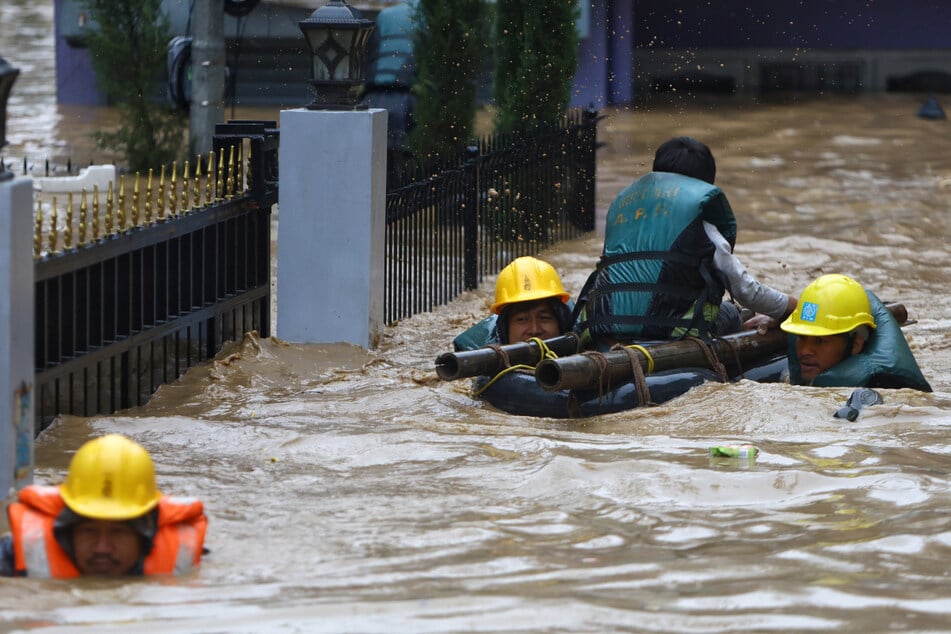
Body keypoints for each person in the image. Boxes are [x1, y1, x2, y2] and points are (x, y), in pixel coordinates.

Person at [575, 136, 797, 347]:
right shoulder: (703, 228)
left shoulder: (624, 218)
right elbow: (747, 291)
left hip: (603, 328)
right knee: (729, 312)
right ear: (702, 187)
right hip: (669, 334)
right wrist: (792, 307)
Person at [1, 434, 207, 578]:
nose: (102, 548)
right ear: (67, 528)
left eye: (118, 532)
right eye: (88, 530)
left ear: (146, 531)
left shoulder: (186, 556)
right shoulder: (16, 554)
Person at [780, 273, 932, 391]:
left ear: (856, 345)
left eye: (819, 340)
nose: (805, 350)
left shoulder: (878, 390)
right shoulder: (801, 368)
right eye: (802, 337)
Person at [452, 256, 573, 351]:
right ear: (505, 327)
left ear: (561, 321)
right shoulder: (481, 356)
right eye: (522, 319)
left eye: (544, 318)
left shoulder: (582, 339)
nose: (535, 330)